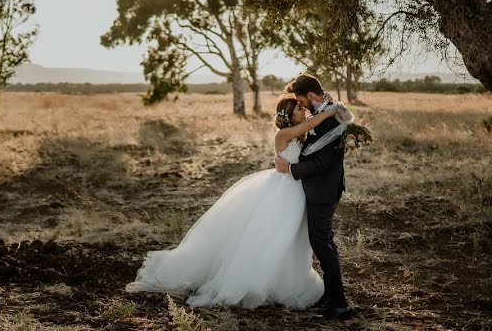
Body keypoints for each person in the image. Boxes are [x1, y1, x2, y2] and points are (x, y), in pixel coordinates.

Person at [125, 93, 351, 309]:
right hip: (282, 191)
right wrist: (332, 110)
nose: (303, 110)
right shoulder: (284, 135)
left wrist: (330, 111)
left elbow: (314, 133)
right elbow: (311, 124)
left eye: (302, 107)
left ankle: (283, 279)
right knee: (272, 236)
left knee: (290, 239)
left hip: (296, 189)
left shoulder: (298, 132)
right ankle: (257, 281)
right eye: (298, 109)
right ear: (288, 117)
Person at [274, 73, 355, 320]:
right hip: (316, 188)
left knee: (322, 242)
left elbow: (322, 161)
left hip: (322, 189)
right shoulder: (326, 112)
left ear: (309, 96)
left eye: (301, 102)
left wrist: (291, 169)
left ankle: (339, 303)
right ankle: (332, 296)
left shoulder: (329, 117)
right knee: (322, 241)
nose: (303, 108)